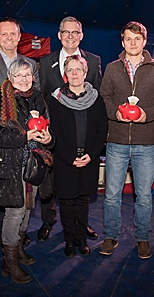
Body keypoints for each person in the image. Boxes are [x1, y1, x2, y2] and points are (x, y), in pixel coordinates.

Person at [99, 21, 154, 259]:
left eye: (137, 39)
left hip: (145, 143)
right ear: (122, 42)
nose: (133, 43)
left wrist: (147, 114)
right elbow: (104, 97)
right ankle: (111, 235)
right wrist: (115, 112)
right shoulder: (112, 68)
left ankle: (142, 238)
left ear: (144, 41)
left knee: (144, 196)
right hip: (116, 141)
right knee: (111, 194)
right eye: (128, 39)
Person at [0, 56, 54, 283]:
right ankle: (9, 262)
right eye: (18, 75)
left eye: (27, 75)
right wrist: (24, 136)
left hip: (33, 163)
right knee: (15, 211)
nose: (24, 79)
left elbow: (47, 126)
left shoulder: (38, 98)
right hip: (10, 165)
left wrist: (48, 138)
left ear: (33, 77)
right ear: (10, 77)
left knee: (26, 209)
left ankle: (18, 249)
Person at [38, 16, 102, 242]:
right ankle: (48, 222)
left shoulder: (93, 62)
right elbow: (43, 99)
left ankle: (81, 228)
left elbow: (96, 100)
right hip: (58, 140)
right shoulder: (46, 63)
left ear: (81, 35)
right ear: (59, 35)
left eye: (75, 32)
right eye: (66, 32)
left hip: (84, 139)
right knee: (55, 186)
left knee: (81, 191)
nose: (70, 36)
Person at [0, 17, 39, 248]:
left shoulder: (30, 63)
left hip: (27, 137)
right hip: (1, 135)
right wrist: (5, 120)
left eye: (13, 33)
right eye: (4, 34)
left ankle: (17, 233)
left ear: (19, 36)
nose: (9, 38)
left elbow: (35, 96)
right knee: (1, 186)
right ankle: (0, 232)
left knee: (24, 186)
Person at [49, 55, 107, 257]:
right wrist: (68, 157)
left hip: (88, 160)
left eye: (78, 69)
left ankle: (81, 239)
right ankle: (69, 240)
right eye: (70, 70)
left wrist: (91, 155)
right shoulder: (56, 100)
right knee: (66, 203)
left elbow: (102, 131)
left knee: (82, 202)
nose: (74, 74)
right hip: (65, 161)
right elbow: (53, 132)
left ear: (85, 73)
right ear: (65, 74)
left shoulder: (96, 100)